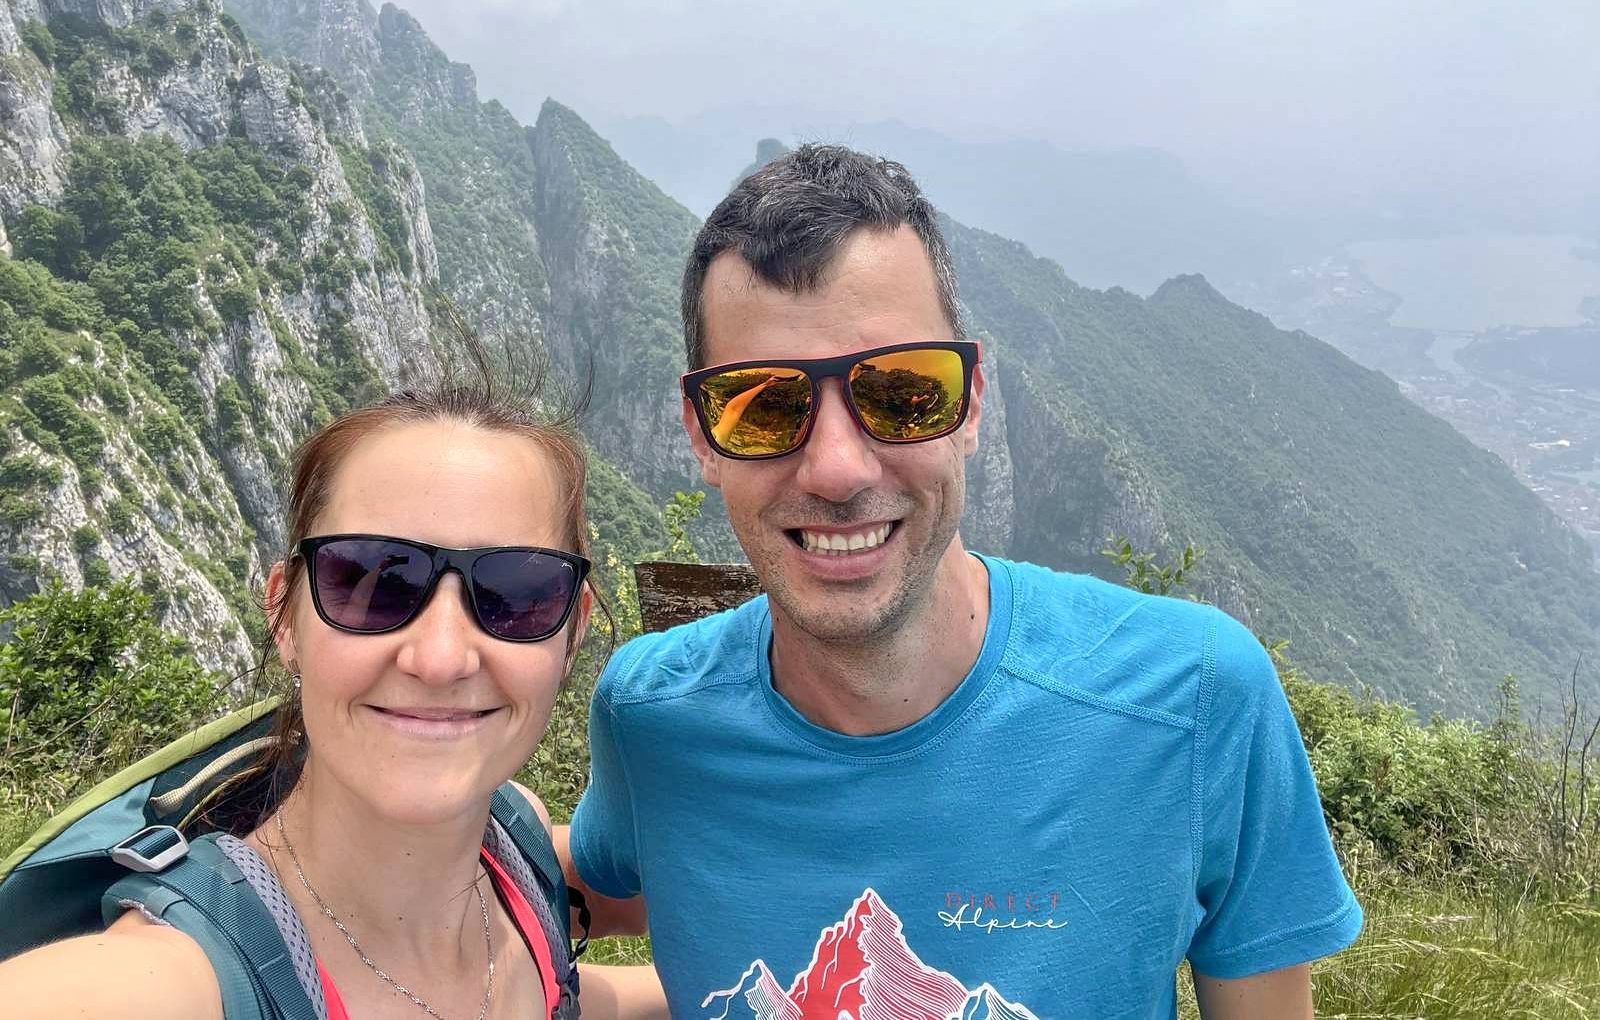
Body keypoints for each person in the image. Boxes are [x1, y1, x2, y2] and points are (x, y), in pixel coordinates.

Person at [556, 145, 1363, 1019]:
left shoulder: (1193, 701)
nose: (836, 468)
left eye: (902, 392)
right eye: (763, 405)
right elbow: (588, 890)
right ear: (701, 435)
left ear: (972, 402)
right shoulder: (650, 718)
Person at [0, 357, 666, 1019]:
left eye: (516, 594)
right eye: (372, 582)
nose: (440, 658)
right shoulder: (181, 977)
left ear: (572, 631)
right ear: (285, 616)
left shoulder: (514, 845)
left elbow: (563, 992)